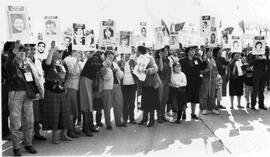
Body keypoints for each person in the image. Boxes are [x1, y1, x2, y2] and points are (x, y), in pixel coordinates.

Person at [7, 45, 42, 156]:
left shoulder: (27, 64)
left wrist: (36, 91)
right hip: (15, 94)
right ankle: (16, 148)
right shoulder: (10, 64)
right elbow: (10, 63)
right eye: (19, 50)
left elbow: (31, 79)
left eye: (23, 50)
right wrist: (14, 50)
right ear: (14, 52)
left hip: (28, 95)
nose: (22, 52)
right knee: (15, 122)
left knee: (29, 121)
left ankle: (28, 144)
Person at [40, 41, 72, 144]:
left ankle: (64, 134)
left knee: (64, 113)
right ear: (53, 52)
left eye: (62, 51)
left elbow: (65, 78)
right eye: (59, 51)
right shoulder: (46, 62)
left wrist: (65, 88)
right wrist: (53, 48)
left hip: (62, 92)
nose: (61, 53)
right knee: (55, 114)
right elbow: (48, 63)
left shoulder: (62, 63)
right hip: (52, 92)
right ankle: (55, 137)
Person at [80, 51, 104, 136]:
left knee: (89, 104)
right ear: (100, 54)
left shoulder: (95, 59)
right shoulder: (95, 58)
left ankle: (89, 126)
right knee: (87, 104)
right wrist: (103, 64)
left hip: (88, 82)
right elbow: (94, 66)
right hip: (86, 81)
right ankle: (86, 127)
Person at [101, 51, 126, 130]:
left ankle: (118, 122)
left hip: (117, 86)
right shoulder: (103, 65)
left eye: (112, 57)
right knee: (107, 106)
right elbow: (105, 77)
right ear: (105, 57)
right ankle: (108, 124)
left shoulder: (115, 64)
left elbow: (121, 76)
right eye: (109, 57)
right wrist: (108, 68)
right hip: (107, 87)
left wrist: (117, 71)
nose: (111, 59)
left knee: (119, 104)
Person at [137, 46, 160, 127]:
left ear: (140, 52)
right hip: (144, 84)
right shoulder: (139, 58)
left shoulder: (149, 58)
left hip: (151, 84)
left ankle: (152, 120)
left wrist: (147, 70)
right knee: (144, 102)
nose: (136, 53)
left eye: (137, 51)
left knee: (151, 103)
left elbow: (155, 68)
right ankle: (144, 119)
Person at [63, 50, 84, 138]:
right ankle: (70, 130)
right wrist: (77, 62)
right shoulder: (68, 59)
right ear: (73, 52)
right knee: (71, 110)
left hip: (76, 87)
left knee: (75, 110)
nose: (80, 53)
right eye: (78, 52)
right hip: (71, 87)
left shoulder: (75, 60)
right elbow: (73, 72)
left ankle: (72, 127)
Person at [180, 47, 204, 119]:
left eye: (193, 50)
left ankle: (193, 113)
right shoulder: (182, 61)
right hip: (186, 82)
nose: (193, 52)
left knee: (194, 98)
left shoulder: (197, 59)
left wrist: (204, 60)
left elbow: (202, 67)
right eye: (191, 50)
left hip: (195, 82)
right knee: (184, 98)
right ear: (187, 52)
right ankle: (184, 113)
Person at [200, 48, 220, 115]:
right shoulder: (203, 60)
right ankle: (204, 108)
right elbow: (200, 71)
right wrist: (206, 70)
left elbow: (216, 69)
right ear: (205, 53)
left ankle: (212, 108)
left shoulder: (213, 59)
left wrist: (216, 76)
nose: (210, 52)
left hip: (213, 78)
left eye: (211, 51)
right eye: (208, 51)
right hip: (206, 78)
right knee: (205, 93)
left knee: (212, 94)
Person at [121, 53, 137, 124]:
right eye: (125, 54)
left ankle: (132, 118)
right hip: (124, 85)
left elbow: (137, 72)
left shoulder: (133, 62)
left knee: (132, 102)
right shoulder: (120, 62)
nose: (126, 55)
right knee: (125, 102)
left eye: (128, 54)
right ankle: (125, 118)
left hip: (132, 84)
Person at [155, 47, 171, 123]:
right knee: (160, 99)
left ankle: (163, 114)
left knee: (165, 99)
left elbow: (169, 70)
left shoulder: (168, 60)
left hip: (167, 81)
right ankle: (159, 115)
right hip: (160, 81)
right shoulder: (157, 60)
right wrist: (160, 57)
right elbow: (160, 69)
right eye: (164, 51)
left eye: (167, 51)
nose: (166, 52)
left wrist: (170, 80)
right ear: (160, 52)